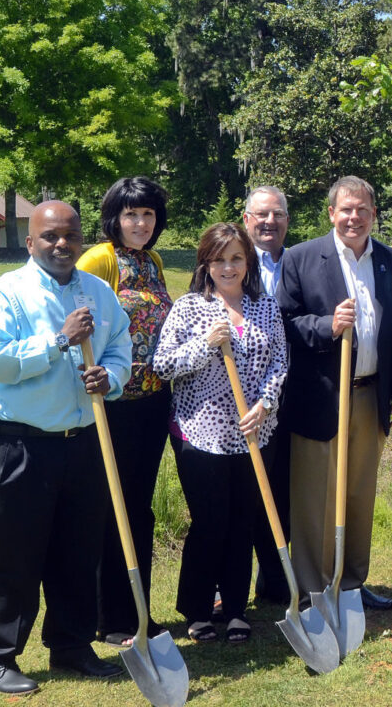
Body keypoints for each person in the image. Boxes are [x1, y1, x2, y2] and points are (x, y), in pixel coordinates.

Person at [0, 201, 131, 694]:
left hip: (82, 443)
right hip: (17, 445)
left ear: (81, 238)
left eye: (69, 235)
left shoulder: (100, 294)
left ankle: (71, 644)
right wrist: (58, 342)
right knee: (10, 556)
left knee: (77, 552)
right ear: (30, 241)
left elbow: (120, 346)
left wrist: (113, 377)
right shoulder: (6, 294)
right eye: (50, 237)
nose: (61, 245)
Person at [276, 176, 392, 610]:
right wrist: (327, 326)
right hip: (321, 396)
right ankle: (316, 590)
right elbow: (284, 324)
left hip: (371, 394)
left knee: (359, 491)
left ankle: (351, 583)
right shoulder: (300, 259)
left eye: (363, 210)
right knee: (317, 496)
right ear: (331, 213)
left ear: (374, 214)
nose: (354, 217)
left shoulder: (391, 261)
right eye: (346, 209)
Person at [153, 223, 286, 644]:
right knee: (210, 522)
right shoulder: (191, 308)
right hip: (199, 435)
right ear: (206, 264)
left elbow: (280, 363)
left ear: (247, 263)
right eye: (219, 259)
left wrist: (266, 404)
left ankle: (234, 610)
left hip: (253, 434)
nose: (228, 267)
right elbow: (163, 365)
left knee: (242, 523)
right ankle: (196, 611)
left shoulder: (264, 307)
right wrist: (206, 344)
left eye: (236, 259)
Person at [76, 176, 172, 646]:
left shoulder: (152, 262)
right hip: (112, 404)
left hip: (153, 403)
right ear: (115, 216)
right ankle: (108, 618)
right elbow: (74, 320)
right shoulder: (101, 259)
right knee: (111, 506)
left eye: (148, 214)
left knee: (139, 509)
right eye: (131, 214)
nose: (140, 223)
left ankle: (139, 612)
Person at [240, 185, 294, 604]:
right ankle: (232, 585)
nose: (269, 222)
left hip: (288, 395)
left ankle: (275, 580)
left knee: (282, 489)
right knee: (244, 492)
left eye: (277, 215)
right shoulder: (231, 263)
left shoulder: (298, 262)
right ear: (246, 220)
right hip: (239, 403)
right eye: (261, 215)